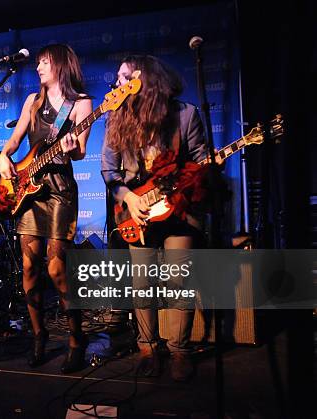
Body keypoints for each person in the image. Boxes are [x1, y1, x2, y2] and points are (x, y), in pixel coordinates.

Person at [101, 55, 207, 381]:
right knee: (142, 284)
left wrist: (190, 180)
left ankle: (180, 352)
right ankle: (147, 347)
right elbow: (109, 171)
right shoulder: (116, 118)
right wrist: (128, 197)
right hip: (138, 212)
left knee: (179, 282)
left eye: (123, 77)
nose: (117, 83)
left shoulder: (185, 115)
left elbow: (202, 162)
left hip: (179, 210)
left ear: (142, 79)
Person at [0, 44, 92, 373]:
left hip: (60, 191)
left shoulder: (81, 104)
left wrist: (69, 148)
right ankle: (39, 335)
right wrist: (3, 156)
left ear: (62, 66)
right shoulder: (32, 102)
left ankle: (76, 338)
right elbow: (16, 140)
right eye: (37, 63)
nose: (38, 68)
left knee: (56, 271)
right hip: (29, 191)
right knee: (28, 268)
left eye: (45, 63)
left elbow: (79, 152)